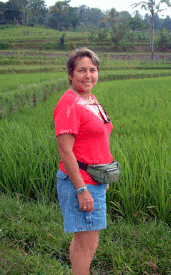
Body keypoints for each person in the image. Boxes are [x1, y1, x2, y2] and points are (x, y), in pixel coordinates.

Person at [54, 47, 113, 275]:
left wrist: (103, 178)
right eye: (81, 70)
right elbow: (65, 151)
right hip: (82, 181)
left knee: (85, 240)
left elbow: (96, 141)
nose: (88, 75)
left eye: (93, 69)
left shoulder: (90, 98)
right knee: (87, 243)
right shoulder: (69, 104)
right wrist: (81, 189)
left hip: (95, 179)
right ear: (70, 74)